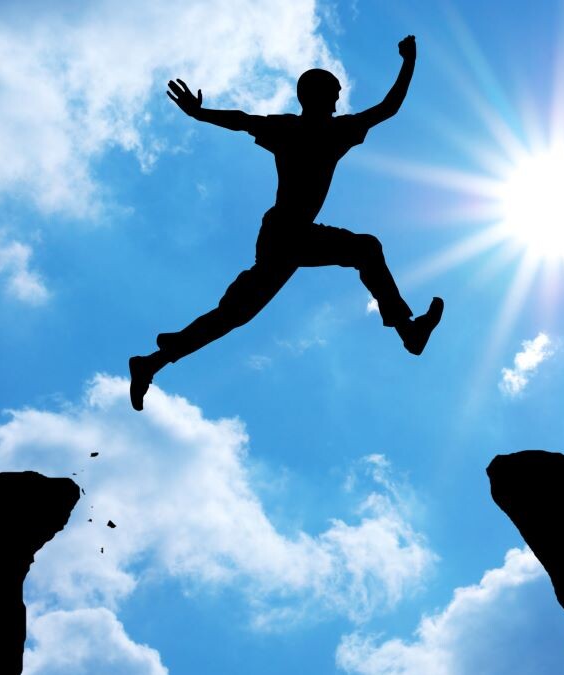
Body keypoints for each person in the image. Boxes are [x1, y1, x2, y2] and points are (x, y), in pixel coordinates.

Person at [129, 35, 443, 411]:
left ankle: (151, 363)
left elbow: (244, 121)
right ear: (321, 96)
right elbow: (387, 108)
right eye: (336, 92)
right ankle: (407, 331)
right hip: (287, 233)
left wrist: (201, 113)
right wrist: (409, 61)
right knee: (363, 249)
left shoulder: (293, 129)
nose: (340, 98)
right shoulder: (328, 131)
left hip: (288, 234)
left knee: (237, 313)